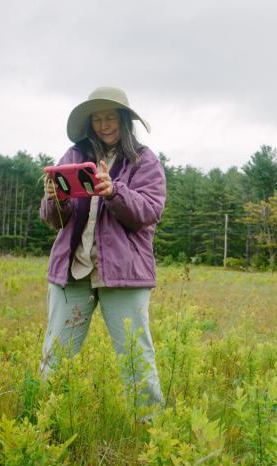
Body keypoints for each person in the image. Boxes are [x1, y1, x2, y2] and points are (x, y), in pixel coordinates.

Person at [39, 86, 166, 411]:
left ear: (124, 120)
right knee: (57, 355)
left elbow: (148, 212)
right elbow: (54, 219)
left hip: (124, 276)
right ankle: (44, 423)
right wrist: (56, 199)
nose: (104, 124)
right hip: (73, 271)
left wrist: (114, 191)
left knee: (136, 358)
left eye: (110, 117)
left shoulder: (144, 160)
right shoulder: (74, 156)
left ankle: (149, 429)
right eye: (97, 118)